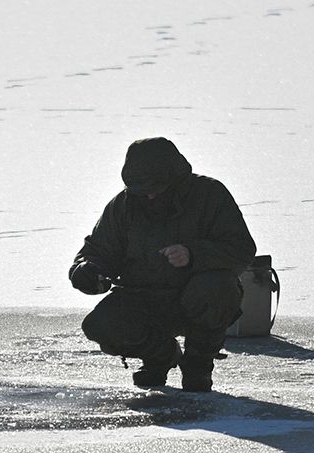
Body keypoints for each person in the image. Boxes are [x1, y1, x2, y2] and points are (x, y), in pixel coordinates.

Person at [69, 137, 257, 391]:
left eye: (155, 186)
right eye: (141, 188)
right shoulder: (124, 205)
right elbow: (97, 250)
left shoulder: (209, 195)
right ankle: (159, 356)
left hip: (195, 296)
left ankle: (198, 365)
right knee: (100, 325)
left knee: (217, 289)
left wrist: (193, 255)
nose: (149, 194)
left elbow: (241, 248)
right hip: (144, 298)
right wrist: (86, 271)